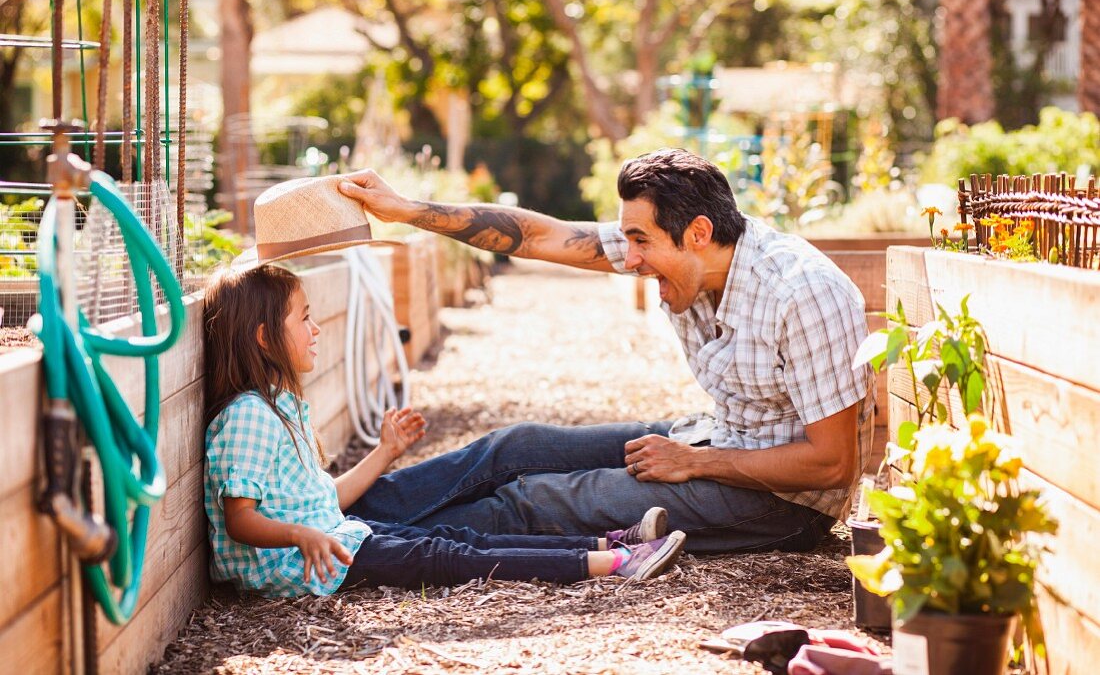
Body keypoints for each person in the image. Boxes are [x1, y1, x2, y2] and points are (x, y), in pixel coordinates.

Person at [335, 148, 875, 554]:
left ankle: (349, 546)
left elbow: (832, 465)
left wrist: (697, 462)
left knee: (535, 502)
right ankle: (324, 510)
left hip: (782, 504)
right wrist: (406, 210)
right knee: (514, 448)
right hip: (718, 439)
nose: (629, 259)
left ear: (698, 233)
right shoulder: (683, 251)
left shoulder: (801, 293)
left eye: (641, 242)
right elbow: (538, 236)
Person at [201, 263, 688, 598]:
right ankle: (616, 563)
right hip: (306, 563)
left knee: (457, 538)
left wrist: (384, 452)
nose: (316, 329)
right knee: (449, 555)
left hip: (332, 539)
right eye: (304, 318)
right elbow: (240, 520)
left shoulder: (278, 407)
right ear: (264, 338)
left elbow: (320, 499)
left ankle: (606, 545)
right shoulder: (248, 416)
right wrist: (299, 535)